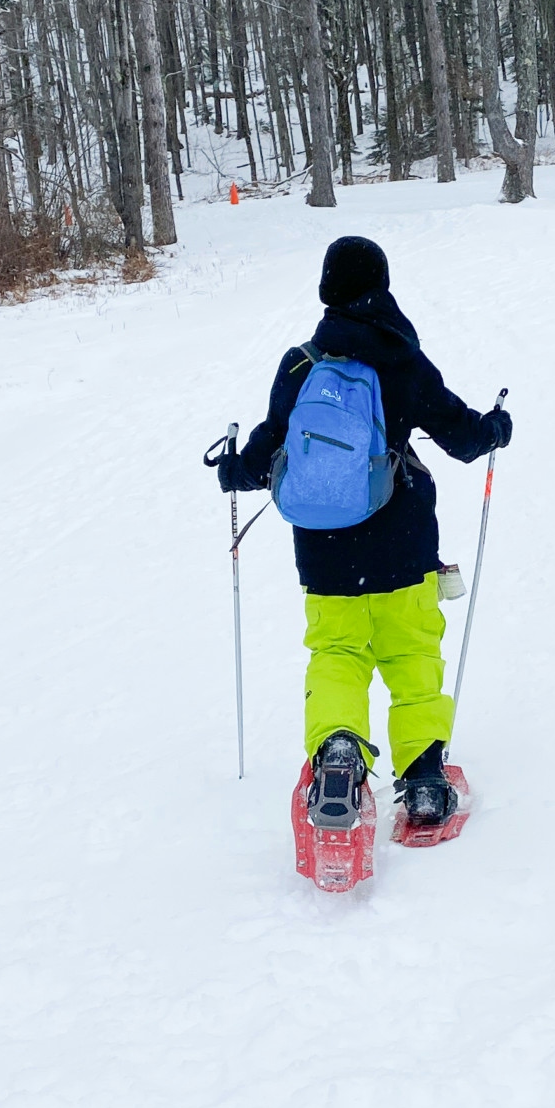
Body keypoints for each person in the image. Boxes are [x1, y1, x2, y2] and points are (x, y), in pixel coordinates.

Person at [215, 235, 510, 833]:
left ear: (328, 289)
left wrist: (233, 471)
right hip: (403, 548)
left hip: (325, 555)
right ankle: (423, 775)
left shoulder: (301, 364)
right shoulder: (402, 361)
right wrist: (496, 428)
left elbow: (268, 447)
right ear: (382, 285)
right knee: (411, 654)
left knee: (337, 655)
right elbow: (462, 436)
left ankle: (339, 751)